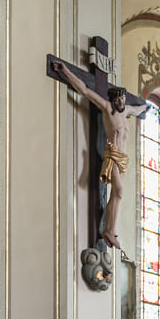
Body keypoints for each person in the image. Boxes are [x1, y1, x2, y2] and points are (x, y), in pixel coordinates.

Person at [52, 61, 133, 248]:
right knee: (119, 191)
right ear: (113, 100)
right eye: (118, 99)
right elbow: (85, 91)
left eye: (122, 98)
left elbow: (140, 108)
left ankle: (109, 230)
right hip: (112, 154)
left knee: (116, 195)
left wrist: (146, 106)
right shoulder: (106, 107)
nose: (121, 102)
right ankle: (109, 231)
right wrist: (65, 71)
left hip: (124, 159)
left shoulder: (127, 110)